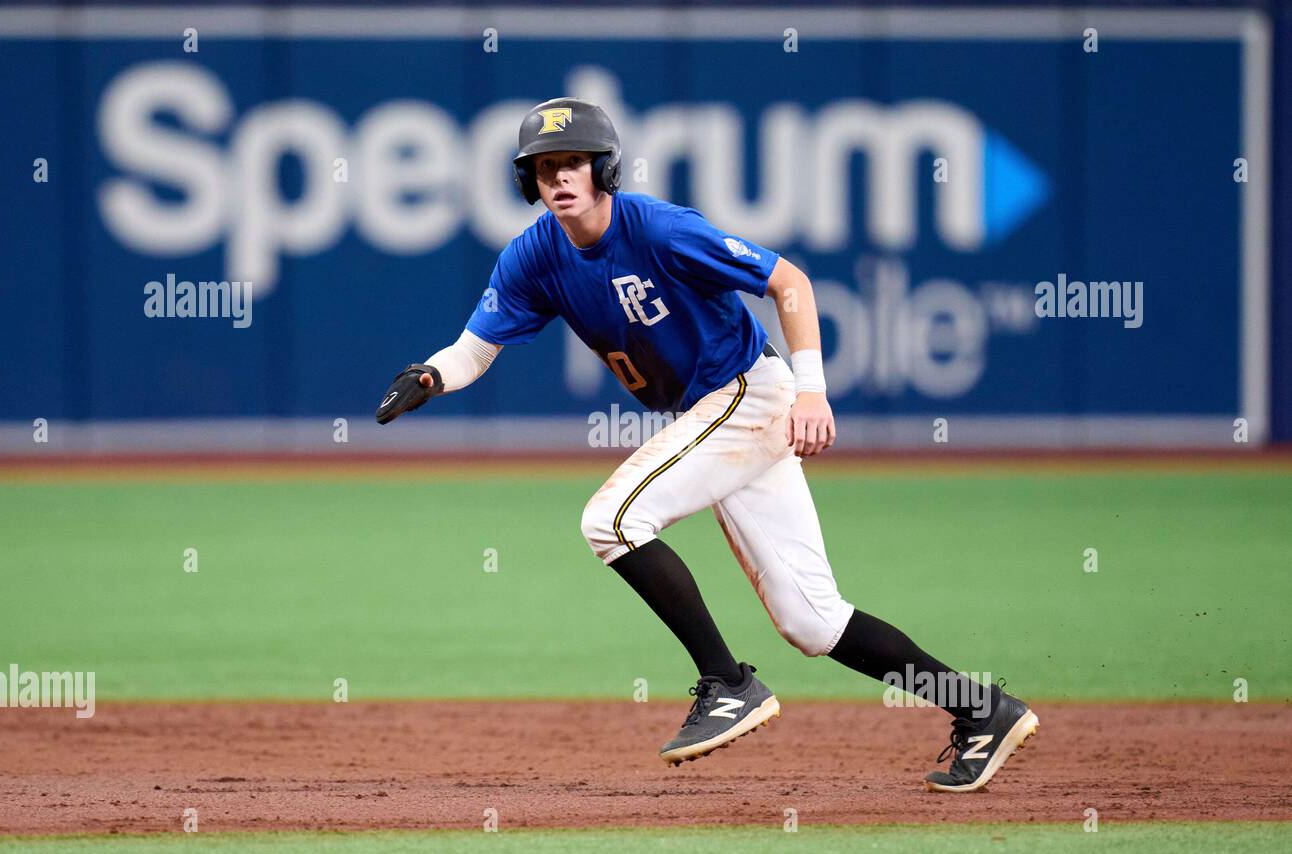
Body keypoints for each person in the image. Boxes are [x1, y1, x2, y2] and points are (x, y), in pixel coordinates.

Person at [376, 97, 1038, 792]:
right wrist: (431, 375)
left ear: (603, 168)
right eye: (544, 168)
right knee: (813, 622)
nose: (559, 178)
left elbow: (790, 282)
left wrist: (812, 389)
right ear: (529, 183)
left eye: (573, 161)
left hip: (748, 394)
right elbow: (473, 351)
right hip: (717, 414)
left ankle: (726, 682)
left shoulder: (658, 230)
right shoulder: (534, 256)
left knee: (611, 520)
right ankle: (982, 709)